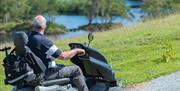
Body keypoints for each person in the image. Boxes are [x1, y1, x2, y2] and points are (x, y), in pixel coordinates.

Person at [27, 15, 89, 91]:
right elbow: (63, 56)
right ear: (44, 26)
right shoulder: (41, 40)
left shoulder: (28, 37)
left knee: (62, 66)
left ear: (33, 25)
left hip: (35, 72)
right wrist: (76, 50)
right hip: (46, 73)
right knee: (76, 69)